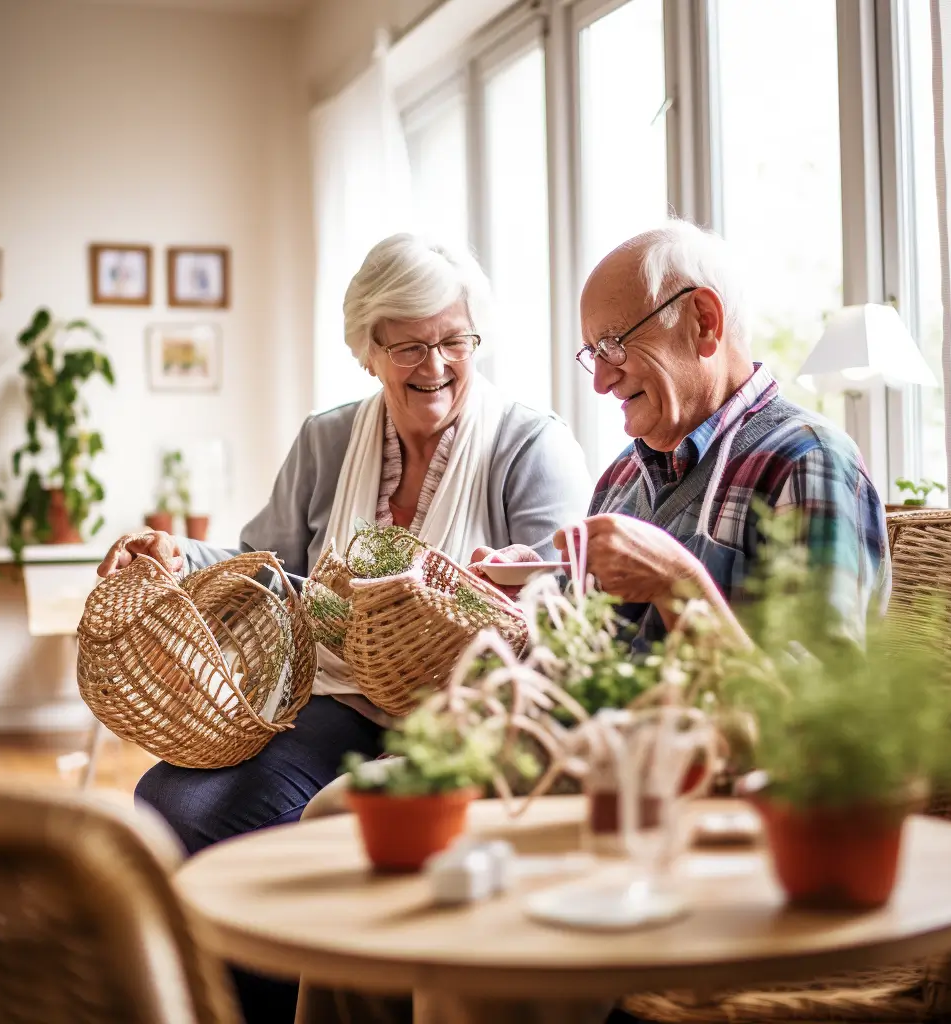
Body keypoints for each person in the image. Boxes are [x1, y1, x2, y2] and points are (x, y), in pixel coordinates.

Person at [97, 234, 591, 1022]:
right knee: (163, 796)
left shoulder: (529, 444)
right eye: (409, 344)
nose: (435, 364)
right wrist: (180, 551)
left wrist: (496, 587)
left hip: (467, 719)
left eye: (454, 340)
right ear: (369, 349)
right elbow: (264, 560)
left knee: (232, 823)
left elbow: (564, 602)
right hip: (337, 698)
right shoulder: (329, 441)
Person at [474, 219, 889, 643]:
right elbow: (586, 653)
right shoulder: (622, 476)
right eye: (593, 353)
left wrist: (678, 586)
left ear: (703, 323)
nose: (600, 381)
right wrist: (531, 595)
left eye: (613, 343)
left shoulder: (805, 461)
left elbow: (818, 703)